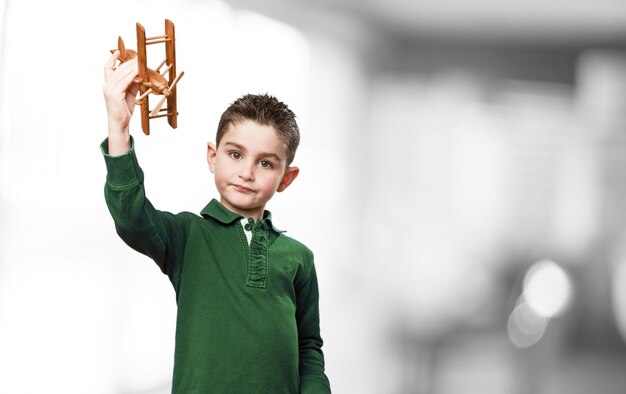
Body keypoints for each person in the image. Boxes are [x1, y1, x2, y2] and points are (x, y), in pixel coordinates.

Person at [101, 51, 331, 393]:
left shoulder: (299, 257)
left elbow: (308, 348)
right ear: (213, 156)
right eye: (235, 155)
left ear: (287, 178)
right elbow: (131, 219)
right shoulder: (187, 236)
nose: (246, 172)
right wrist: (118, 128)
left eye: (266, 163)